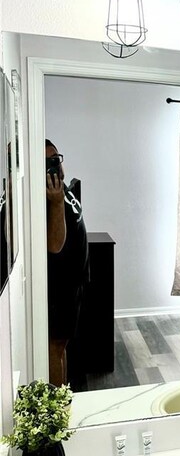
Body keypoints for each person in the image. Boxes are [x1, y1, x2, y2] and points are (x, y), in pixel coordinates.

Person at [46, 139, 88, 387]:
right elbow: (54, 245)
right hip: (59, 288)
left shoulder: (65, 188)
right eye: (47, 163)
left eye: (56, 158)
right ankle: (59, 408)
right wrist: (56, 201)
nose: (54, 167)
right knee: (54, 348)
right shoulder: (49, 197)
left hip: (73, 286)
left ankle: (66, 396)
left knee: (61, 347)